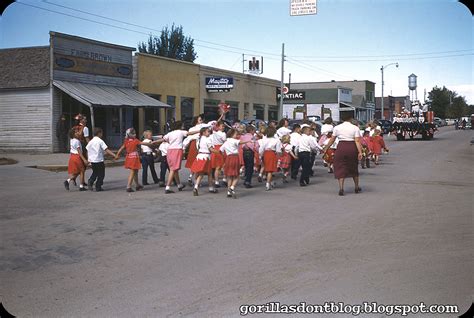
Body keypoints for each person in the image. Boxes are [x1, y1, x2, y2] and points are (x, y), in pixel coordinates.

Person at [323, 112, 363, 196]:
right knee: (353, 166)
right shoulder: (355, 128)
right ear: (350, 118)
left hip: (341, 147)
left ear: (341, 119)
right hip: (351, 146)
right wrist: (360, 152)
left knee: (340, 166)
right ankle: (356, 186)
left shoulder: (337, 128)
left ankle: (341, 188)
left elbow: (332, 140)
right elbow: (357, 141)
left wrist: (326, 148)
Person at [115, 128, 157, 192]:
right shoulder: (136, 141)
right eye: (133, 133)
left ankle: (137, 185)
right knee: (133, 171)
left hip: (129, 157)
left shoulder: (126, 141)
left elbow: (122, 148)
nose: (135, 134)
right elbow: (143, 143)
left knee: (135, 171)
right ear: (130, 134)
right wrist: (150, 144)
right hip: (134, 157)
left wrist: (117, 154)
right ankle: (128, 186)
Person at [162, 121, 198, 194]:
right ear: (180, 126)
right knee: (173, 169)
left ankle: (179, 185)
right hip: (177, 150)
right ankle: (167, 187)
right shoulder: (181, 132)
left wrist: (153, 143)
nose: (183, 126)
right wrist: (199, 130)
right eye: (182, 125)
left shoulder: (170, 133)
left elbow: (164, 139)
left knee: (174, 169)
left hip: (169, 151)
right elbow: (189, 133)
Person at [220, 128, 251, 198]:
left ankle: (228, 192)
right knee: (236, 176)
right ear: (232, 134)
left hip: (228, 158)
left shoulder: (226, 142)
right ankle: (232, 188)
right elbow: (239, 142)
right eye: (235, 134)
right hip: (235, 157)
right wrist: (248, 141)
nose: (237, 135)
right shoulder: (234, 140)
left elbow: (220, 150)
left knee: (229, 176)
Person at [191, 127, 220, 196]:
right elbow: (211, 149)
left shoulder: (199, 139)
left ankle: (202, 187)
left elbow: (198, 148)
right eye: (208, 131)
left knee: (204, 173)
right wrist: (219, 152)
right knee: (205, 173)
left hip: (199, 156)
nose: (209, 133)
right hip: (206, 157)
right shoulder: (208, 140)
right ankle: (201, 187)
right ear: (203, 133)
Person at [259, 126, 282, 191]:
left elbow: (261, 149)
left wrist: (260, 155)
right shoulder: (276, 140)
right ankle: (268, 184)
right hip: (272, 153)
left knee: (267, 169)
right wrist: (279, 155)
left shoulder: (264, 140)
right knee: (270, 170)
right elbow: (278, 150)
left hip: (265, 153)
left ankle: (270, 182)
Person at [210, 121, 226, 188]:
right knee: (223, 165)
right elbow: (225, 141)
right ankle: (224, 179)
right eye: (222, 126)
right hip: (221, 148)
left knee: (217, 167)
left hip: (214, 149)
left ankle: (216, 181)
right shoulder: (223, 134)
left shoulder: (213, 133)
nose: (223, 127)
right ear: (218, 127)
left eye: (223, 126)